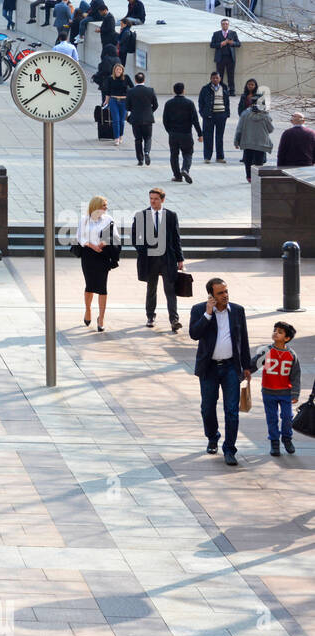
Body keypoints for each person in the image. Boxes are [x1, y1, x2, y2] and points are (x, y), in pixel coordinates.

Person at [189, 278, 251, 464]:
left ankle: (230, 449)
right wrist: (208, 314)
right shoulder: (199, 310)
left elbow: (244, 339)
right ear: (211, 295)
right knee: (207, 408)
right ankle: (212, 437)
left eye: (226, 291)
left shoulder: (238, 311)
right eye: (220, 293)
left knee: (232, 410)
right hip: (209, 368)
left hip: (231, 367)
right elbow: (194, 334)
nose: (225, 295)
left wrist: (246, 366)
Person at [132, 187, 185, 332]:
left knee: (170, 289)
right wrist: (144, 252)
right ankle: (150, 316)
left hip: (167, 259)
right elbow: (136, 238)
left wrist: (180, 259)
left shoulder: (171, 215)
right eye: (151, 198)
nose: (153, 201)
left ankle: (174, 320)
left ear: (162, 199)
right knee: (151, 289)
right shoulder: (141, 215)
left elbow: (176, 238)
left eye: (155, 199)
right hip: (150, 260)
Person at [252, 322, 301, 456]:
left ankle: (287, 438)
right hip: (268, 392)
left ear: (287, 338)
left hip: (285, 392)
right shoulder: (266, 351)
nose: (275, 333)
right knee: (272, 418)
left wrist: (295, 393)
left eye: (280, 332)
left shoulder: (291, 355)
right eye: (275, 330)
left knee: (287, 416)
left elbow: (296, 375)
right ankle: (274, 442)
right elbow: (254, 364)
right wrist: (243, 374)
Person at [76, 195, 120, 332]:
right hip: (88, 255)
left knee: (102, 287)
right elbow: (80, 237)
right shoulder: (84, 220)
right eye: (104, 206)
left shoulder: (109, 219)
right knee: (89, 285)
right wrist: (91, 245)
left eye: (106, 205)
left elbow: (115, 236)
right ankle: (88, 310)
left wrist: (104, 242)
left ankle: (101, 318)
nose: (106, 208)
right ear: (96, 206)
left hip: (103, 255)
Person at [163, 82, 203, 182]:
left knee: (174, 154)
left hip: (173, 133)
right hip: (186, 133)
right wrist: (200, 134)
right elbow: (195, 120)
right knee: (188, 153)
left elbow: (165, 120)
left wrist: (170, 131)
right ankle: (185, 169)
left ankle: (177, 176)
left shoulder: (169, 103)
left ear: (174, 91)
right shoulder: (189, 103)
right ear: (183, 90)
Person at [235, 98, 274, 182]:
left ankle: (249, 177)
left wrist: (236, 141)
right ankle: (257, 177)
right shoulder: (265, 115)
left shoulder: (245, 114)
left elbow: (239, 128)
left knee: (248, 160)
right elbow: (270, 129)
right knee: (259, 161)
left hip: (247, 141)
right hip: (261, 142)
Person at [198, 71, 232, 165]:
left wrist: (226, 114)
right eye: (213, 78)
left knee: (219, 137)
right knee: (208, 136)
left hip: (221, 115)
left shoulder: (224, 88)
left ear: (220, 78)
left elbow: (227, 102)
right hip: (209, 116)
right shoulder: (205, 89)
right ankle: (207, 157)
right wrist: (203, 113)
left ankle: (220, 157)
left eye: (217, 78)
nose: (215, 79)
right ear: (211, 79)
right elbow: (201, 102)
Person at [102, 62, 133, 148]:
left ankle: (120, 135)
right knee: (115, 120)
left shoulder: (126, 78)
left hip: (124, 101)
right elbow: (107, 91)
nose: (118, 71)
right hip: (113, 100)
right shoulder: (110, 78)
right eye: (117, 69)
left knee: (122, 121)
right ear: (114, 70)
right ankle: (116, 138)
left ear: (122, 70)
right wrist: (106, 101)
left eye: (120, 70)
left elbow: (132, 87)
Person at [210, 19, 240, 94]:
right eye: (223, 24)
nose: (225, 25)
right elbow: (212, 45)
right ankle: (220, 90)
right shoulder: (216, 34)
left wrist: (232, 43)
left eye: (226, 24)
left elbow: (238, 44)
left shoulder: (233, 33)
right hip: (220, 58)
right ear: (221, 25)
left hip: (230, 58)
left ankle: (232, 91)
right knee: (219, 75)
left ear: (228, 25)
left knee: (231, 75)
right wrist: (220, 44)